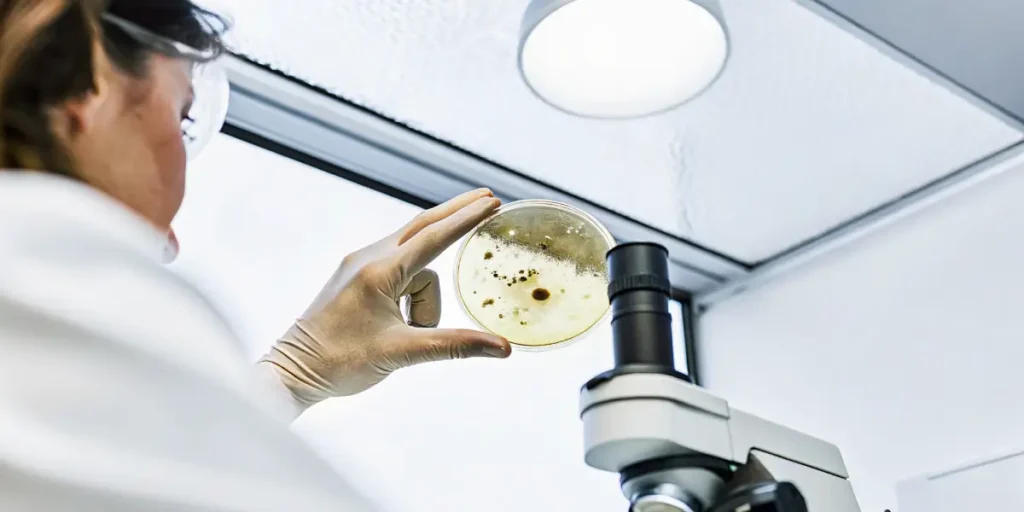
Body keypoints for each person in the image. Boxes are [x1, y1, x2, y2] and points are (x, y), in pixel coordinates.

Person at [0, 1, 512, 510]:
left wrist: (292, 378)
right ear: (87, 86)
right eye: (182, 120)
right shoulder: (30, 254)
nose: (170, 243)